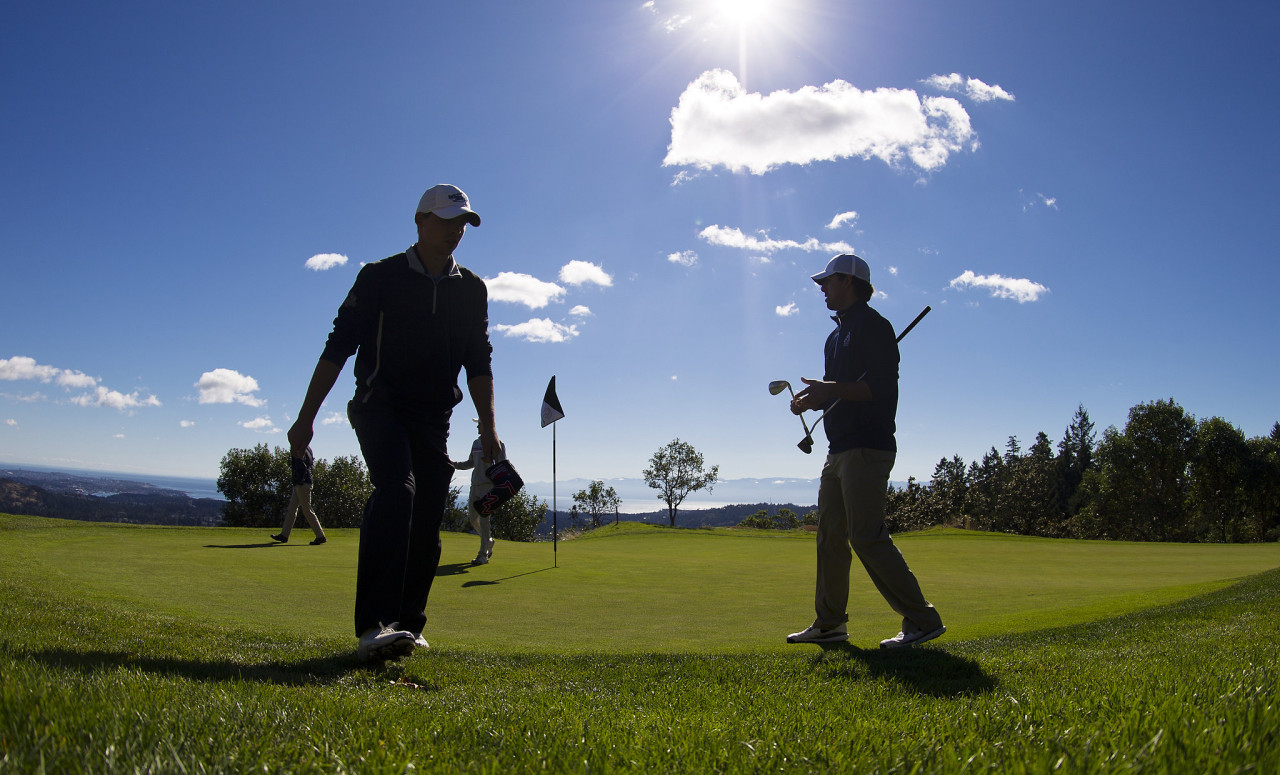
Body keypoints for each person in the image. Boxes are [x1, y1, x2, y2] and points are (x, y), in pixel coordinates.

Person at [287, 183, 501, 662]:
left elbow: (479, 361)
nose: (455, 232)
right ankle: (373, 627)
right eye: (446, 222)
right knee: (397, 492)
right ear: (420, 220)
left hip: (434, 418)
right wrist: (305, 419)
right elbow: (338, 346)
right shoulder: (379, 277)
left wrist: (488, 428)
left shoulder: (472, 289)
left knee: (426, 515)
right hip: (378, 406)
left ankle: (408, 623)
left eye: (462, 224)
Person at [786, 253, 945, 649]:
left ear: (849, 282)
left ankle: (922, 620)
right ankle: (830, 623)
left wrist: (830, 389)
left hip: (867, 447)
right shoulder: (834, 335)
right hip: (837, 449)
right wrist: (814, 399)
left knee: (866, 536)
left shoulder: (875, 327)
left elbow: (879, 390)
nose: (821, 288)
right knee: (829, 536)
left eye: (828, 281)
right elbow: (842, 392)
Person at [449, 419, 507, 565]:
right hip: (474, 485)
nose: (477, 426)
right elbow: (470, 463)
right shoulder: (475, 443)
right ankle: (488, 541)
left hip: (488, 487)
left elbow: (502, 465)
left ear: (486, 426)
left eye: (479, 423)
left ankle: (483, 555)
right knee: (473, 519)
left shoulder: (498, 444)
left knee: (484, 520)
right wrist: (453, 464)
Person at [270, 446, 326, 545]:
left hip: (302, 483)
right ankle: (284, 535)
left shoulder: (299, 449)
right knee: (292, 508)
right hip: (302, 482)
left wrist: (299, 480)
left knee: (306, 509)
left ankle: (320, 535)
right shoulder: (307, 448)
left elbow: (301, 466)